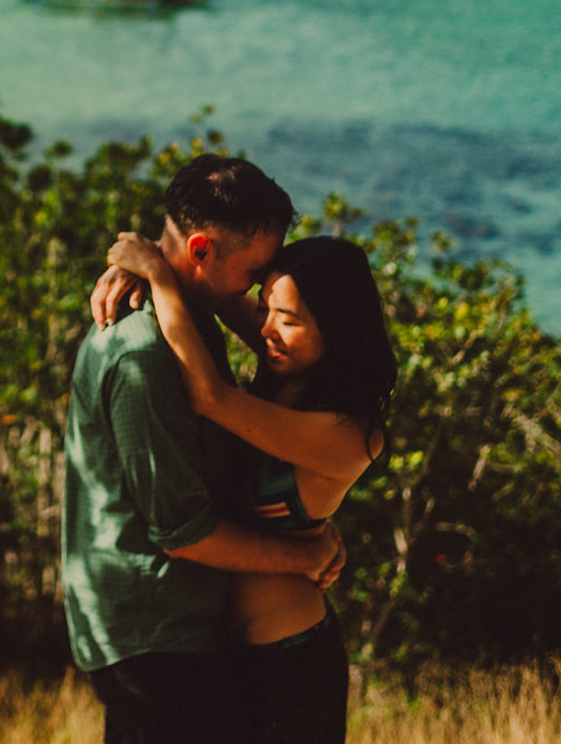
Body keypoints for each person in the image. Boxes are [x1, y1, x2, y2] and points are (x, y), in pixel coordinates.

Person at [63, 155, 345, 744]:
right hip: (152, 637)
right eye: (254, 270)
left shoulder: (190, 315)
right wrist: (305, 557)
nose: (259, 290)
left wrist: (151, 268)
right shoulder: (145, 354)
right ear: (200, 251)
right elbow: (183, 532)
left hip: (180, 628)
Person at [97, 230, 398, 744]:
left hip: (291, 664)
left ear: (337, 328)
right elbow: (213, 284)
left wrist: (155, 273)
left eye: (290, 320)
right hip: (224, 649)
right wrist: (149, 263)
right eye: (267, 310)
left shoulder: (353, 434)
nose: (267, 330)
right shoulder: (288, 362)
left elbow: (210, 397)